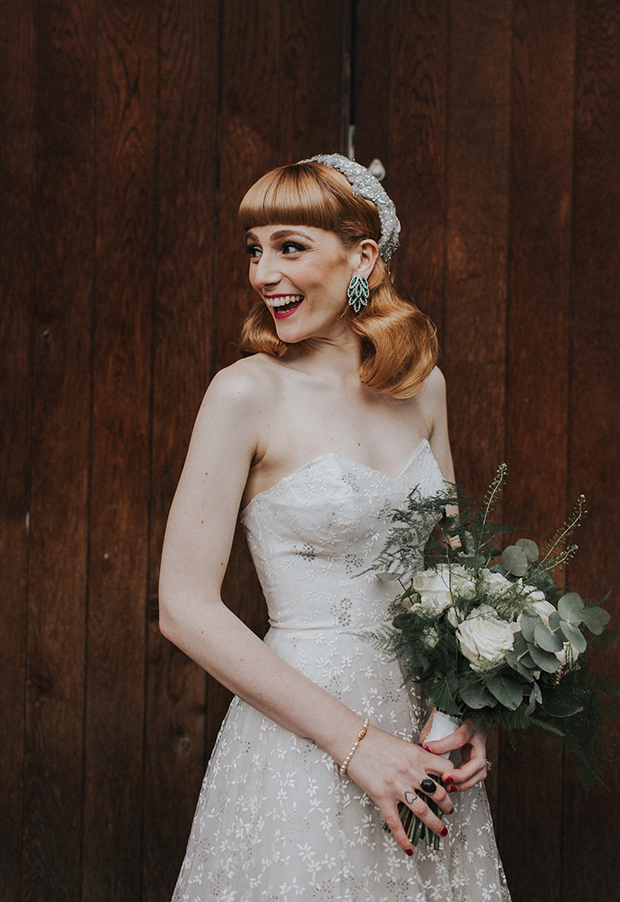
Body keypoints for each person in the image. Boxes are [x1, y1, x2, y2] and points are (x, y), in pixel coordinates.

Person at [159, 154, 510, 901]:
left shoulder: (423, 388)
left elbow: (452, 575)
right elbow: (184, 608)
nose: (263, 273)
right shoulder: (244, 393)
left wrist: (477, 706)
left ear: (363, 257)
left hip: (425, 745)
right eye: (254, 249)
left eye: (290, 246)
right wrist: (357, 746)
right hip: (303, 737)